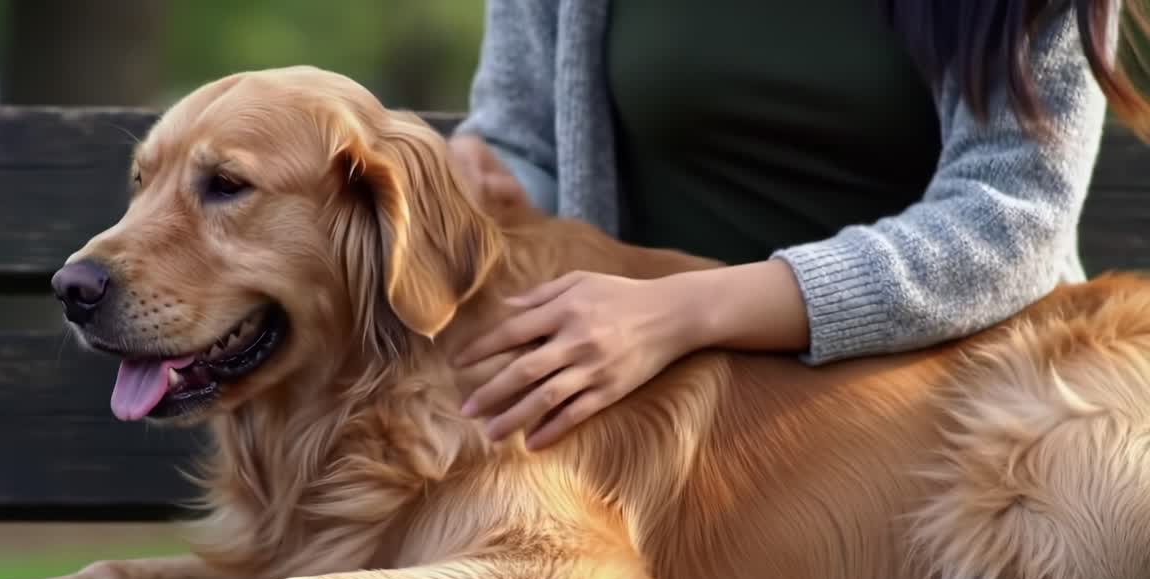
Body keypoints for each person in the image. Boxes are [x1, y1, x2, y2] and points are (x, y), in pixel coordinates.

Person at [447, 0, 1150, 451]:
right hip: (645, 416)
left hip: (952, 428)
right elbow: (526, 139)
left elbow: (1012, 220)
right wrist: (488, 181)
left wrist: (687, 310)